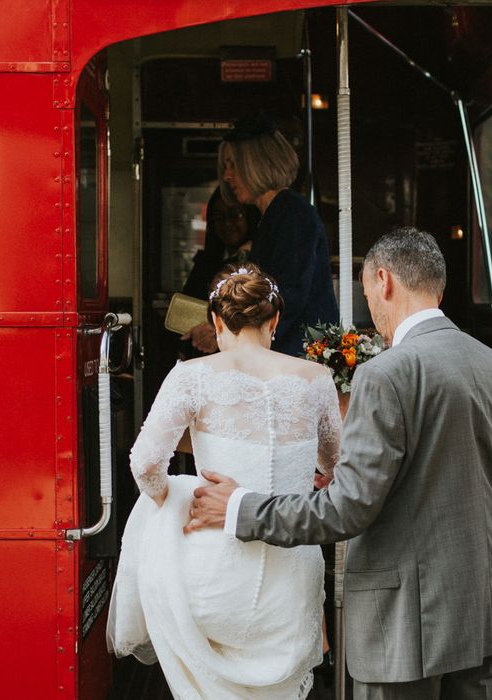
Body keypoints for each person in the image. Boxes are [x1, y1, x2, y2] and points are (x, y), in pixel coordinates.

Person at [187, 227, 492, 699]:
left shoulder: (386, 374)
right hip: (489, 610)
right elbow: (451, 473)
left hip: (408, 624)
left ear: (384, 281)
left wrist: (239, 508)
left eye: (367, 290)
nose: (370, 303)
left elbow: (347, 510)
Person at [106, 263, 342, 699]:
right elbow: (334, 465)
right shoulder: (316, 379)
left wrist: (173, 500)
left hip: (214, 572)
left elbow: (145, 463)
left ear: (216, 322)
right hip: (290, 580)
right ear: (274, 320)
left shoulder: (191, 377)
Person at [219, 113, 338, 356]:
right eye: (225, 166)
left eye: (233, 165)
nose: (227, 176)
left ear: (257, 164)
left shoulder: (292, 212)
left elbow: (289, 296)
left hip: (300, 357)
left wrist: (241, 339)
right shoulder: (274, 213)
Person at [180, 187, 259, 357]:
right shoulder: (205, 261)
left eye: (235, 215)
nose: (227, 223)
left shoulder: (258, 260)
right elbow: (186, 306)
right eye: (219, 217)